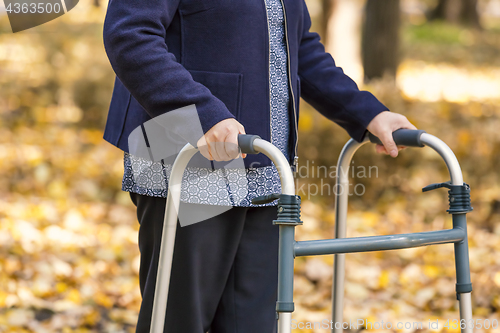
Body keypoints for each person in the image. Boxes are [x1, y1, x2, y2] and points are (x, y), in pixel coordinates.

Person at [102, 0, 416, 332]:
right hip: (183, 161)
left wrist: (367, 113)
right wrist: (201, 114)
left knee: (254, 323)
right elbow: (130, 34)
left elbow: (297, 46)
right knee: (179, 322)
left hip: (266, 171)